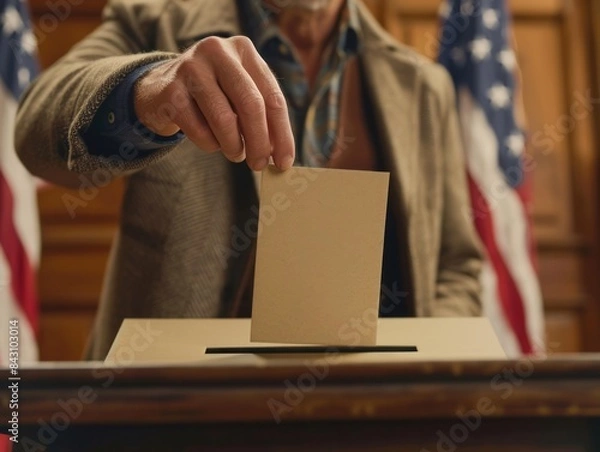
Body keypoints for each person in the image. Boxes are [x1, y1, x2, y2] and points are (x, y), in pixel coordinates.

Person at [15, 0, 483, 360]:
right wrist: (150, 90)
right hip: (179, 421)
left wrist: (425, 374)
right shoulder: (156, 21)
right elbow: (35, 127)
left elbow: (456, 264)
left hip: (372, 421)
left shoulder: (424, 87)